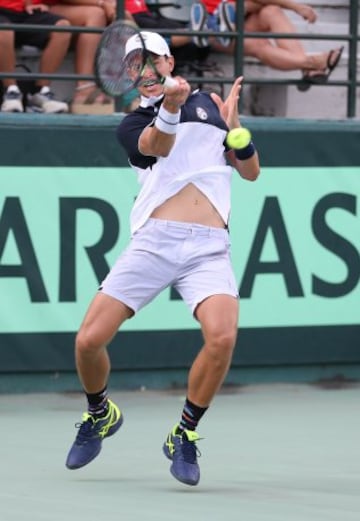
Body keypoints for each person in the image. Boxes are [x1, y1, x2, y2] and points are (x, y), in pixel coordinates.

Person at [65, 30, 260, 486]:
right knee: (87, 341)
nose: (143, 72)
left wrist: (234, 130)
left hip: (209, 245)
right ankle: (100, 413)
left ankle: (184, 433)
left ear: (169, 62)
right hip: (155, 241)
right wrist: (171, 105)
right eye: (134, 66)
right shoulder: (132, 124)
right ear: (129, 77)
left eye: (150, 61)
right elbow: (160, 146)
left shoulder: (212, 106)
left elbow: (250, 172)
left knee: (222, 337)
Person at [190, 0, 344, 90]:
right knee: (258, 42)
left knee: (272, 10)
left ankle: (308, 66)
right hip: (213, 31)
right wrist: (296, 7)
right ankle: (311, 63)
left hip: (241, 21)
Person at [44, 0, 116, 113]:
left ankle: (132, 90)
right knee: (96, 14)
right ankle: (84, 88)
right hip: (43, 7)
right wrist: (101, 3)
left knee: (123, 14)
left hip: (82, 6)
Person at [0, 0, 71, 113]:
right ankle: (11, 92)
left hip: (26, 12)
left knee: (63, 27)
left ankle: (41, 92)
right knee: (3, 29)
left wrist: (29, 3)